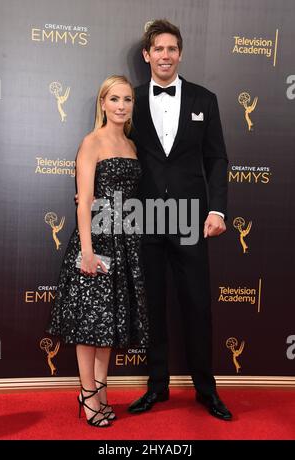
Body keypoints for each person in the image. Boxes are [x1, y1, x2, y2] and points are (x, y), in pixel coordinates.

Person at [128, 19, 232, 421]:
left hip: (191, 217)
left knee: (197, 305)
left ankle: (207, 391)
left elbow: (217, 158)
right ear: (147, 55)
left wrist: (218, 209)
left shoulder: (205, 99)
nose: (165, 56)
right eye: (159, 49)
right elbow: (113, 154)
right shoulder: (130, 99)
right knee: (152, 304)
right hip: (145, 215)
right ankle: (157, 387)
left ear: (180, 53)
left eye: (172, 49)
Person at [47, 75, 149, 427]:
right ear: (103, 104)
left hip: (125, 242)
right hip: (97, 240)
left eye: (127, 100)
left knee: (109, 324)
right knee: (90, 323)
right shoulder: (92, 142)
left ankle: (100, 392)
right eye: (114, 100)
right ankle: (88, 396)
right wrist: (86, 252)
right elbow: (84, 201)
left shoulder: (133, 146)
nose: (121, 106)